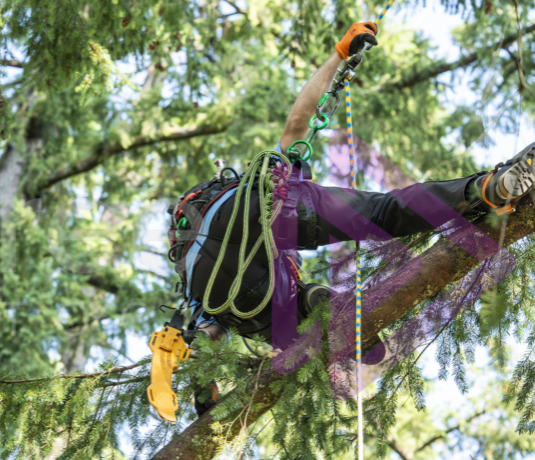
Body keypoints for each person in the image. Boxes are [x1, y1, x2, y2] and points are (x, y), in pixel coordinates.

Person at [172, 21, 535, 416]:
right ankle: (484, 189)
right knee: (381, 213)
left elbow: (209, 331)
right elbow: (298, 124)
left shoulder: (221, 290)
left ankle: (211, 382)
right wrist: (340, 53)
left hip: (202, 274)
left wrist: (203, 378)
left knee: (283, 326)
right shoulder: (265, 200)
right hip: (245, 217)